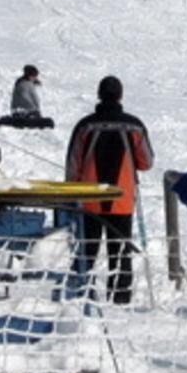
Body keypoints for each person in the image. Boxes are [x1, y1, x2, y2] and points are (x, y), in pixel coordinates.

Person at [66, 76, 154, 304]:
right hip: (122, 198)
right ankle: (120, 297)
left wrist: (72, 189)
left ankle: (79, 293)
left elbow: (73, 164)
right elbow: (146, 162)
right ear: (120, 95)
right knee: (121, 250)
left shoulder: (85, 125)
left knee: (87, 250)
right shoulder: (134, 126)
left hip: (90, 198)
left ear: (99, 94)